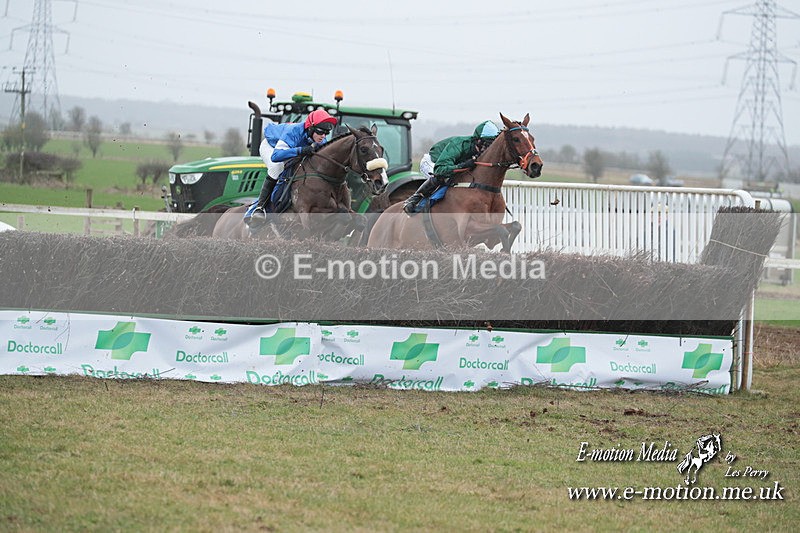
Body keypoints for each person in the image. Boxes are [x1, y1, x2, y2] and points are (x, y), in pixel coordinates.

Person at [248, 108, 338, 227]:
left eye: (326, 133)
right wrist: (300, 150)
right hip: (271, 146)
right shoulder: (293, 131)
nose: (323, 136)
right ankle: (260, 208)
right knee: (277, 167)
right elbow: (276, 156)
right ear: (310, 128)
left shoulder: (321, 139)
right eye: (320, 132)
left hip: (289, 148)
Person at [403, 120, 500, 215]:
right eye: (487, 144)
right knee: (443, 178)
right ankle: (413, 199)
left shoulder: (478, 150)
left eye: (492, 145)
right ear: (478, 141)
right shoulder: (458, 145)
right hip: (432, 162)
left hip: (451, 164)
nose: (488, 148)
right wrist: (463, 165)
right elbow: (440, 169)